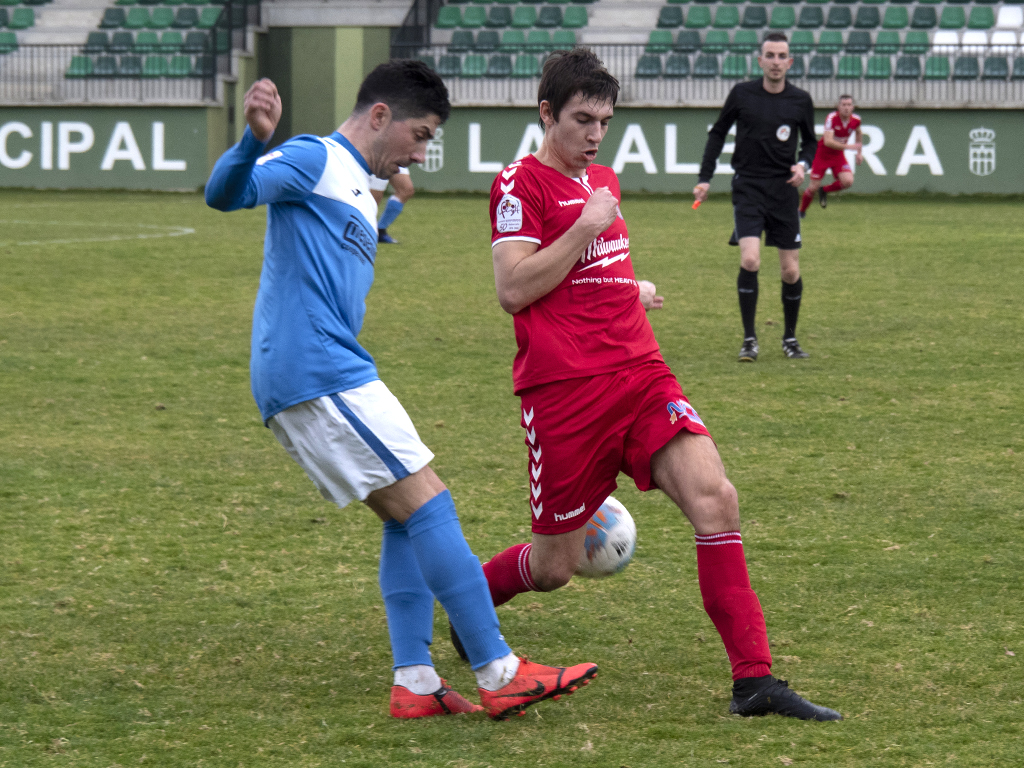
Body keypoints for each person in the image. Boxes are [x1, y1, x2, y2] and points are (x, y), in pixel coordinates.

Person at [451, 48, 841, 722]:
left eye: (604, 119)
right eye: (582, 119)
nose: (595, 134)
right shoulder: (520, 184)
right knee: (554, 569)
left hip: (639, 373)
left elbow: (579, 272)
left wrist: (628, 287)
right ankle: (471, 603)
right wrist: (585, 226)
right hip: (566, 395)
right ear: (548, 113)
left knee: (717, 499)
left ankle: (754, 681)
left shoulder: (601, 181)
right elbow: (514, 289)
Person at [204, 61, 597, 722]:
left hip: (334, 369)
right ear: (380, 116)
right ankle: (499, 669)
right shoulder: (314, 158)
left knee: (405, 517)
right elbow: (224, 194)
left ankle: (415, 680)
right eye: (419, 135)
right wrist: (252, 140)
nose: (421, 152)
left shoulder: (361, 184)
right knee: (430, 504)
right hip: (315, 372)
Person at [694, 32, 816, 363]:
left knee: (790, 271)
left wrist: (803, 165)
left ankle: (790, 338)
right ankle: (749, 339)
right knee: (750, 259)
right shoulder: (742, 94)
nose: (776, 62)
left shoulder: (800, 100)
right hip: (747, 186)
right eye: (770, 55)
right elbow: (717, 133)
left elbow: (810, 142)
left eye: (782, 56)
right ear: (760, 60)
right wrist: (705, 179)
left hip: (784, 191)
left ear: (790, 62)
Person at [799, 95, 863, 217]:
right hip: (822, 154)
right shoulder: (831, 118)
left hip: (838, 155)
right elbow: (828, 141)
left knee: (848, 181)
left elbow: (859, 132)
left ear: (853, 107)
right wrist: (849, 147)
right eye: (843, 105)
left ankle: (824, 190)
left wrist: (859, 153)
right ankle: (801, 211)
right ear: (838, 107)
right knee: (812, 188)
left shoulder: (856, 120)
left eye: (849, 105)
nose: (846, 108)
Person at [369, 166, 415, 243]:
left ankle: (380, 230)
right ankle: (360, 229)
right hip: (380, 158)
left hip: (398, 156)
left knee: (406, 190)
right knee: (373, 200)